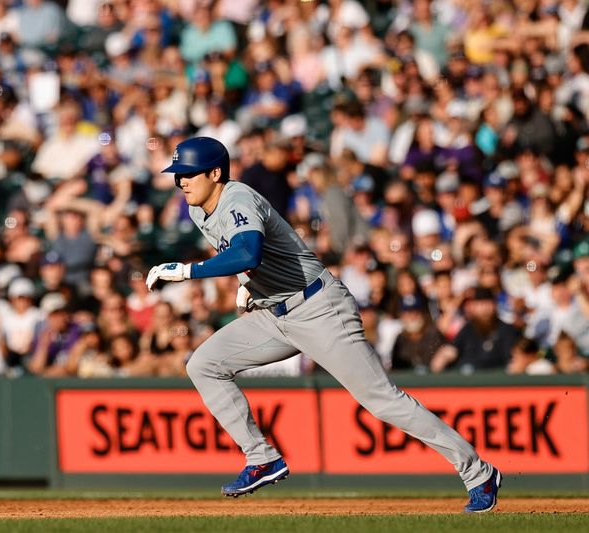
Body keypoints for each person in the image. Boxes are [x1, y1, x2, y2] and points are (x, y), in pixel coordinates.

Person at [147, 136, 501, 511]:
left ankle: (478, 472)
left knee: (382, 400)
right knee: (203, 364)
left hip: (318, 307)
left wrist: (188, 271)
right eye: (177, 176)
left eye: (188, 174)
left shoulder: (237, 197)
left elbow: (248, 250)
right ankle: (261, 458)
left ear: (215, 173)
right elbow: (245, 255)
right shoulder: (199, 209)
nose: (181, 182)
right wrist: (245, 284)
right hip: (274, 313)